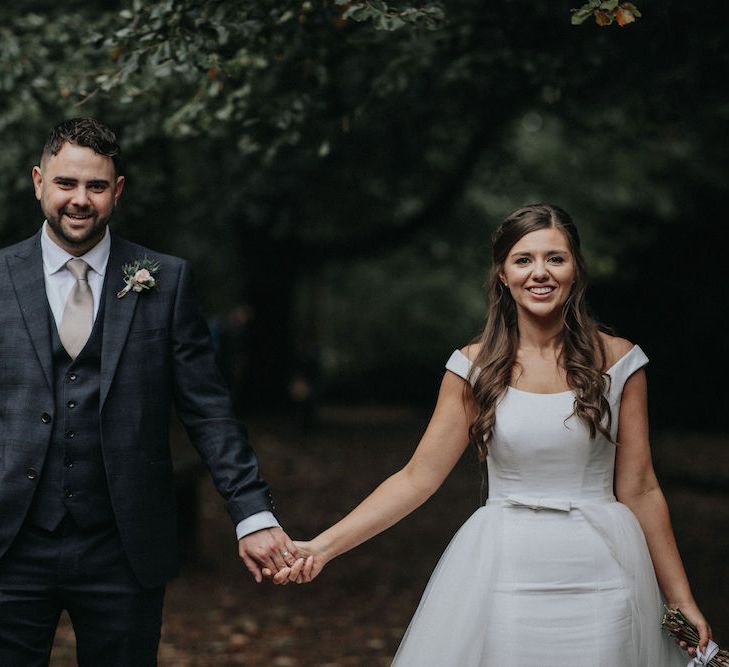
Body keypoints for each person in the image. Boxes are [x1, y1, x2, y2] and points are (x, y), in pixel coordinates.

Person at [272, 204, 711, 666]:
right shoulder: (472, 368)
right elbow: (416, 478)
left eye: (555, 258)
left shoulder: (619, 360)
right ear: (503, 274)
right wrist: (322, 547)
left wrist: (680, 600)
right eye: (523, 260)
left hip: (603, 569)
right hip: (509, 568)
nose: (539, 272)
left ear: (575, 269)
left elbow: (640, 487)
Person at [0, 118, 299, 666]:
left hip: (123, 545)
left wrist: (253, 514)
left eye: (95, 186)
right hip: (8, 543)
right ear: (39, 181)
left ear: (117, 191)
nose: (79, 200)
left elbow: (209, 412)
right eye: (66, 183)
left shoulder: (166, 280)